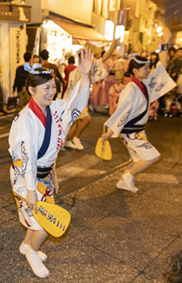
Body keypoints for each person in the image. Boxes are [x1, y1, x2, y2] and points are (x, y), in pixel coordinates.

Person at [9, 48, 93, 279]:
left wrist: (84, 76)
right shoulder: (25, 119)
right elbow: (26, 158)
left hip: (43, 174)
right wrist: (30, 189)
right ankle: (33, 252)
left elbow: (76, 104)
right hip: (26, 178)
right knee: (44, 223)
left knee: (36, 219)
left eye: (54, 87)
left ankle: (27, 246)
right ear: (31, 90)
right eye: (46, 88)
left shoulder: (55, 109)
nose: (52, 92)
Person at [101, 28, 176, 193]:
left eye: (148, 68)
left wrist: (164, 45)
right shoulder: (131, 88)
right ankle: (127, 176)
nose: (148, 71)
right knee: (153, 156)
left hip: (138, 130)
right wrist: (109, 133)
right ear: (135, 71)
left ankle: (123, 181)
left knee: (138, 159)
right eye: (145, 69)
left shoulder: (143, 84)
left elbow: (161, 68)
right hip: (130, 132)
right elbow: (122, 112)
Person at [62, 39, 118, 150]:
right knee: (86, 119)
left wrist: (112, 47)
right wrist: (112, 47)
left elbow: (102, 60)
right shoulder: (79, 71)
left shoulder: (81, 70)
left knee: (78, 121)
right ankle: (76, 138)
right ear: (79, 59)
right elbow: (102, 60)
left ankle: (68, 141)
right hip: (75, 100)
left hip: (77, 100)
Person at [13, 52, 33, 116]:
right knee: (28, 105)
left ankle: (16, 117)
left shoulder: (19, 68)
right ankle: (24, 118)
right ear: (30, 59)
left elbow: (16, 79)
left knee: (20, 105)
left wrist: (14, 88)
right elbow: (30, 80)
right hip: (28, 90)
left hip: (20, 89)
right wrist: (25, 86)